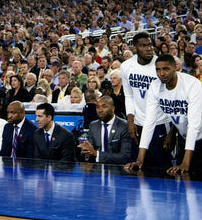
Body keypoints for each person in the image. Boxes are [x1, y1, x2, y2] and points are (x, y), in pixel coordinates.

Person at [125, 54, 202, 175]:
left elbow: (194, 125)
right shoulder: (155, 86)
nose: (161, 73)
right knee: (185, 182)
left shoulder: (192, 84)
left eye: (166, 69)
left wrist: (185, 163)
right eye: (158, 69)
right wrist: (139, 160)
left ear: (175, 68)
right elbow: (149, 123)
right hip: (185, 139)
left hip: (197, 134)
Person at [121, 32, 172, 169]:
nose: (148, 48)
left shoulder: (161, 66)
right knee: (138, 168)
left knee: (162, 170)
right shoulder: (126, 66)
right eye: (143, 46)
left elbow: (171, 98)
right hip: (138, 123)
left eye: (150, 45)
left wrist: (172, 130)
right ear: (135, 48)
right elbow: (129, 96)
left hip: (160, 123)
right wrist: (130, 121)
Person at [78, 96, 132, 164]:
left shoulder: (124, 126)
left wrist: (97, 154)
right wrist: (85, 151)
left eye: (104, 106)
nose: (100, 110)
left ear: (113, 108)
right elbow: (89, 151)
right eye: (97, 107)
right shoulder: (93, 126)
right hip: (96, 169)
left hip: (118, 170)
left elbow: (125, 157)